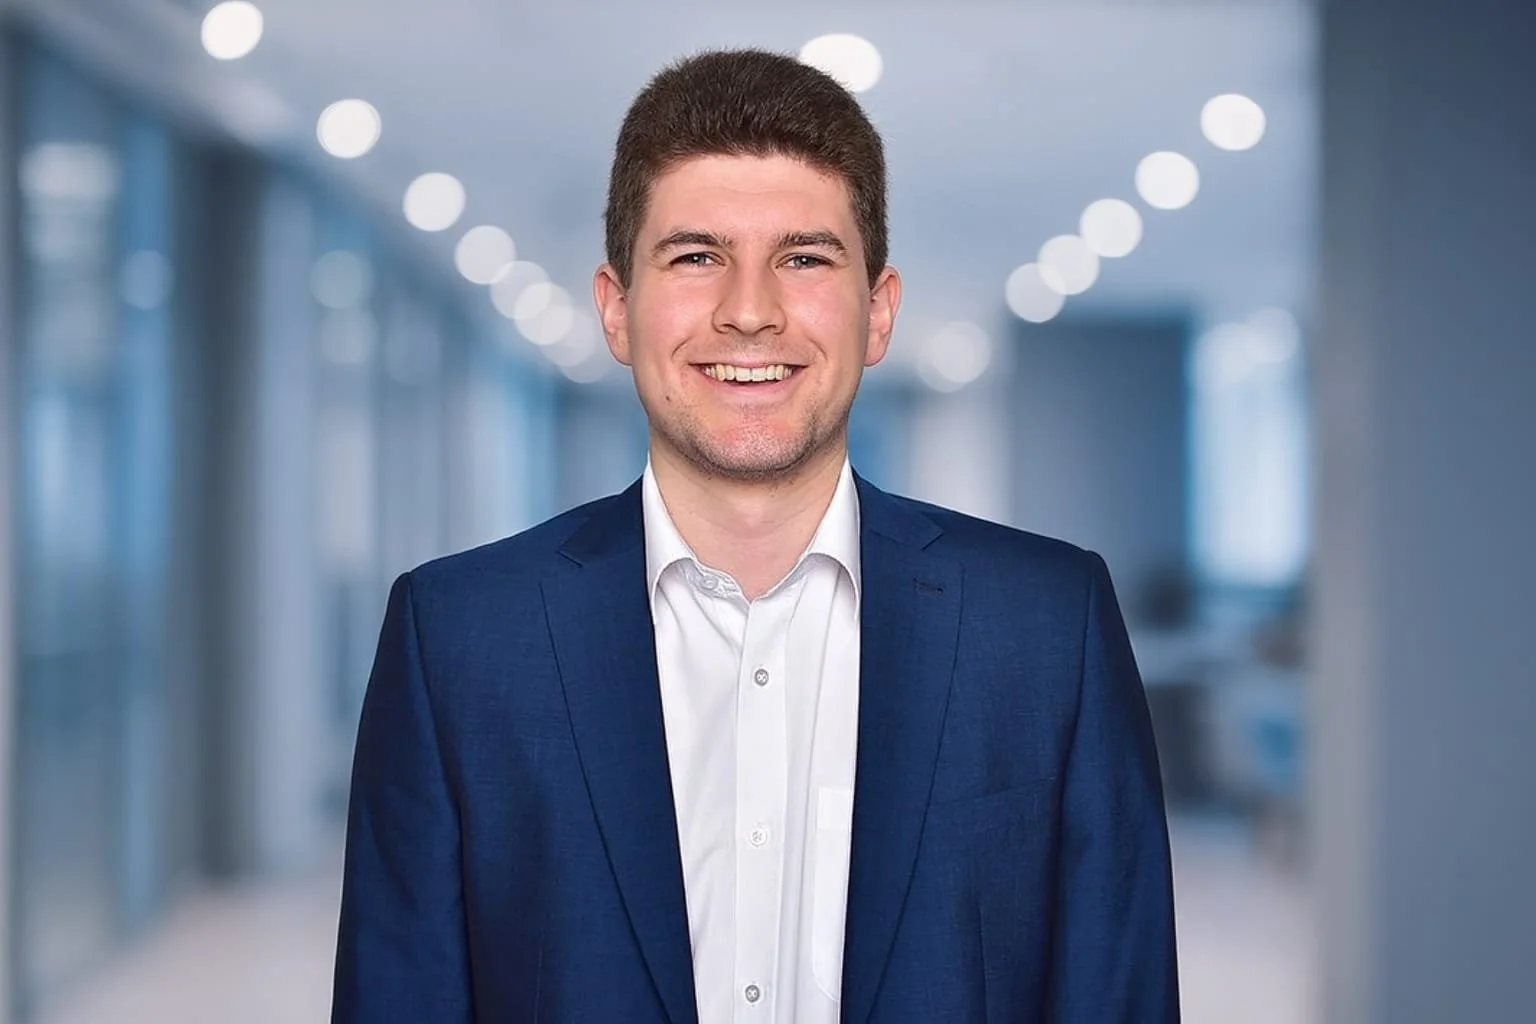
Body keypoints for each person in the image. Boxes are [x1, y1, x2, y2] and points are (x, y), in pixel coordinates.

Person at [332, 48, 1178, 1024]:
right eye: (696, 256)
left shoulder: (1045, 629)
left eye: (804, 258)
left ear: (878, 310)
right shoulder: (457, 639)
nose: (748, 311)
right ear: (616, 308)